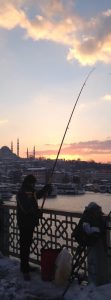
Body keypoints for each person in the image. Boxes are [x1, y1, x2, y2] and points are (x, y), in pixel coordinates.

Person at [16, 174, 52, 280]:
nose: (34, 185)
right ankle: (24, 270)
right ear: (29, 183)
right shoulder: (21, 193)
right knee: (24, 246)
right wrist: (37, 213)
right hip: (24, 224)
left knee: (27, 244)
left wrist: (45, 189)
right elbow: (26, 208)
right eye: (33, 183)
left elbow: (38, 195)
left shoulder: (30, 191)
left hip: (30, 223)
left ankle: (26, 266)